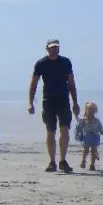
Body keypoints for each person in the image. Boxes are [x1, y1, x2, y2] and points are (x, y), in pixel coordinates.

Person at [28, 39, 80, 172]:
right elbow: (33, 84)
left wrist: (75, 103)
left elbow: (71, 84)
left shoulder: (65, 62)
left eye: (56, 47)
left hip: (63, 99)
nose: (54, 49)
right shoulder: (41, 63)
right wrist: (30, 102)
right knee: (50, 130)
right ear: (47, 49)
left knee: (65, 129)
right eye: (52, 47)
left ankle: (62, 160)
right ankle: (52, 162)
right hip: (48, 100)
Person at [74, 101, 103, 170]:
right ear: (86, 110)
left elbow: (100, 127)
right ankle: (83, 161)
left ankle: (92, 165)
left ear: (95, 111)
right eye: (89, 110)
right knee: (86, 150)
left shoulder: (97, 120)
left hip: (95, 137)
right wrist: (76, 115)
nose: (91, 112)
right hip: (86, 137)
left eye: (93, 110)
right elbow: (79, 124)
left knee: (93, 150)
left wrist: (102, 131)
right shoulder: (84, 120)